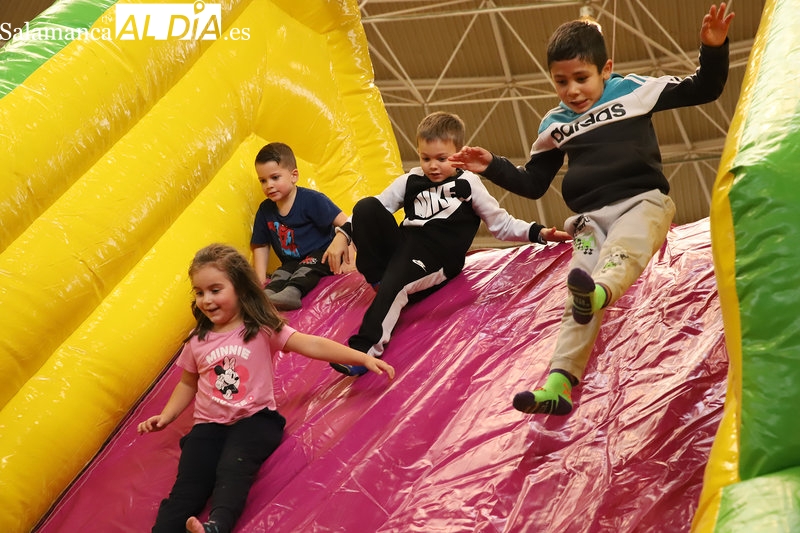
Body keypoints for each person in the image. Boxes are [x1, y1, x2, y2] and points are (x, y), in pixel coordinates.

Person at [449, 4, 735, 416]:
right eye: (560, 82)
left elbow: (705, 87)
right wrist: (491, 165)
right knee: (575, 290)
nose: (572, 91)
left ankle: (601, 293)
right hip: (585, 221)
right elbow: (532, 185)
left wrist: (713, 46)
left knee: (623, 249)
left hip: (642, 202)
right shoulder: (554, 124)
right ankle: (558, 384)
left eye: (582, 79)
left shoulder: (634, 91)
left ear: (606, 69)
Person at [138, 243, 395, 533]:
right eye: (199, 292)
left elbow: (310, 344)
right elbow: (188, 382)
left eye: (215, 290)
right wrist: (167, 416)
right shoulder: (198, 340)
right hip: (208, 426)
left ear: (240, 289)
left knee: (233, 469)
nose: (206, 299)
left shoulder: (259, 327)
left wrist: (361, 357)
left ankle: (217, 526)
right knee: (188, 485)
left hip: (255, 420)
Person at [323, 111, 571, 377]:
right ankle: (381, 280)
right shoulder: (411, 180)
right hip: (403, 250)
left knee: (398, 281)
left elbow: (501, 224)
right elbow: (376, 208)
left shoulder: (468, 183)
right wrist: (342, 236)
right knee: (366, 206)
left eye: (442, 159)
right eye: (425, 158)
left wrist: (540, 233)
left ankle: (363, 352)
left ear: (458, 154)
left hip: (436, 257)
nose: (432, 166)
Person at [250, 142, 348, 310]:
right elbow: (261, 244)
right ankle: (268, 296)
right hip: (292, 261)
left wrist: (349, 258)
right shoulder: (266, 210)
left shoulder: (312, 200)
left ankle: (292, 292)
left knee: (306, 268)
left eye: (275, 178)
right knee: (281, 273)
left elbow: (346, 223)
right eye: (263, 181)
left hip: (322, 256)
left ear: (293, 176)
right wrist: (259, 279)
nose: (269, 185)